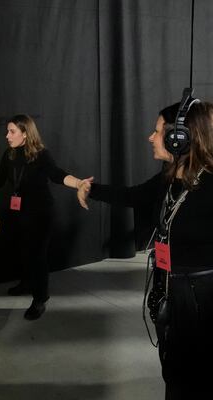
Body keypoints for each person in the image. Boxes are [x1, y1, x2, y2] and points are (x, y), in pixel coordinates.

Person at [77, 97, 213, 398]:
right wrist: (89, 188)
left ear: (180, 138)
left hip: (201, 299)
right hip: (169, 291)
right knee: (173, 371)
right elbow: (132, 195)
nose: (151, 137)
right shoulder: (169, 179)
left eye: (157, 131)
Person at [0, 114, 91, 320]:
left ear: (25, 134)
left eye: (12, 132)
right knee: (24, 250)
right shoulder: (9, 155)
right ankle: (27, 283)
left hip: (41, 214)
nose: (7, 136)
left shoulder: (41, 155)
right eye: (7, 131)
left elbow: (57, 174)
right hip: (20, 213)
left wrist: (79, 183)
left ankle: (40, 299)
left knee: (37, 255)